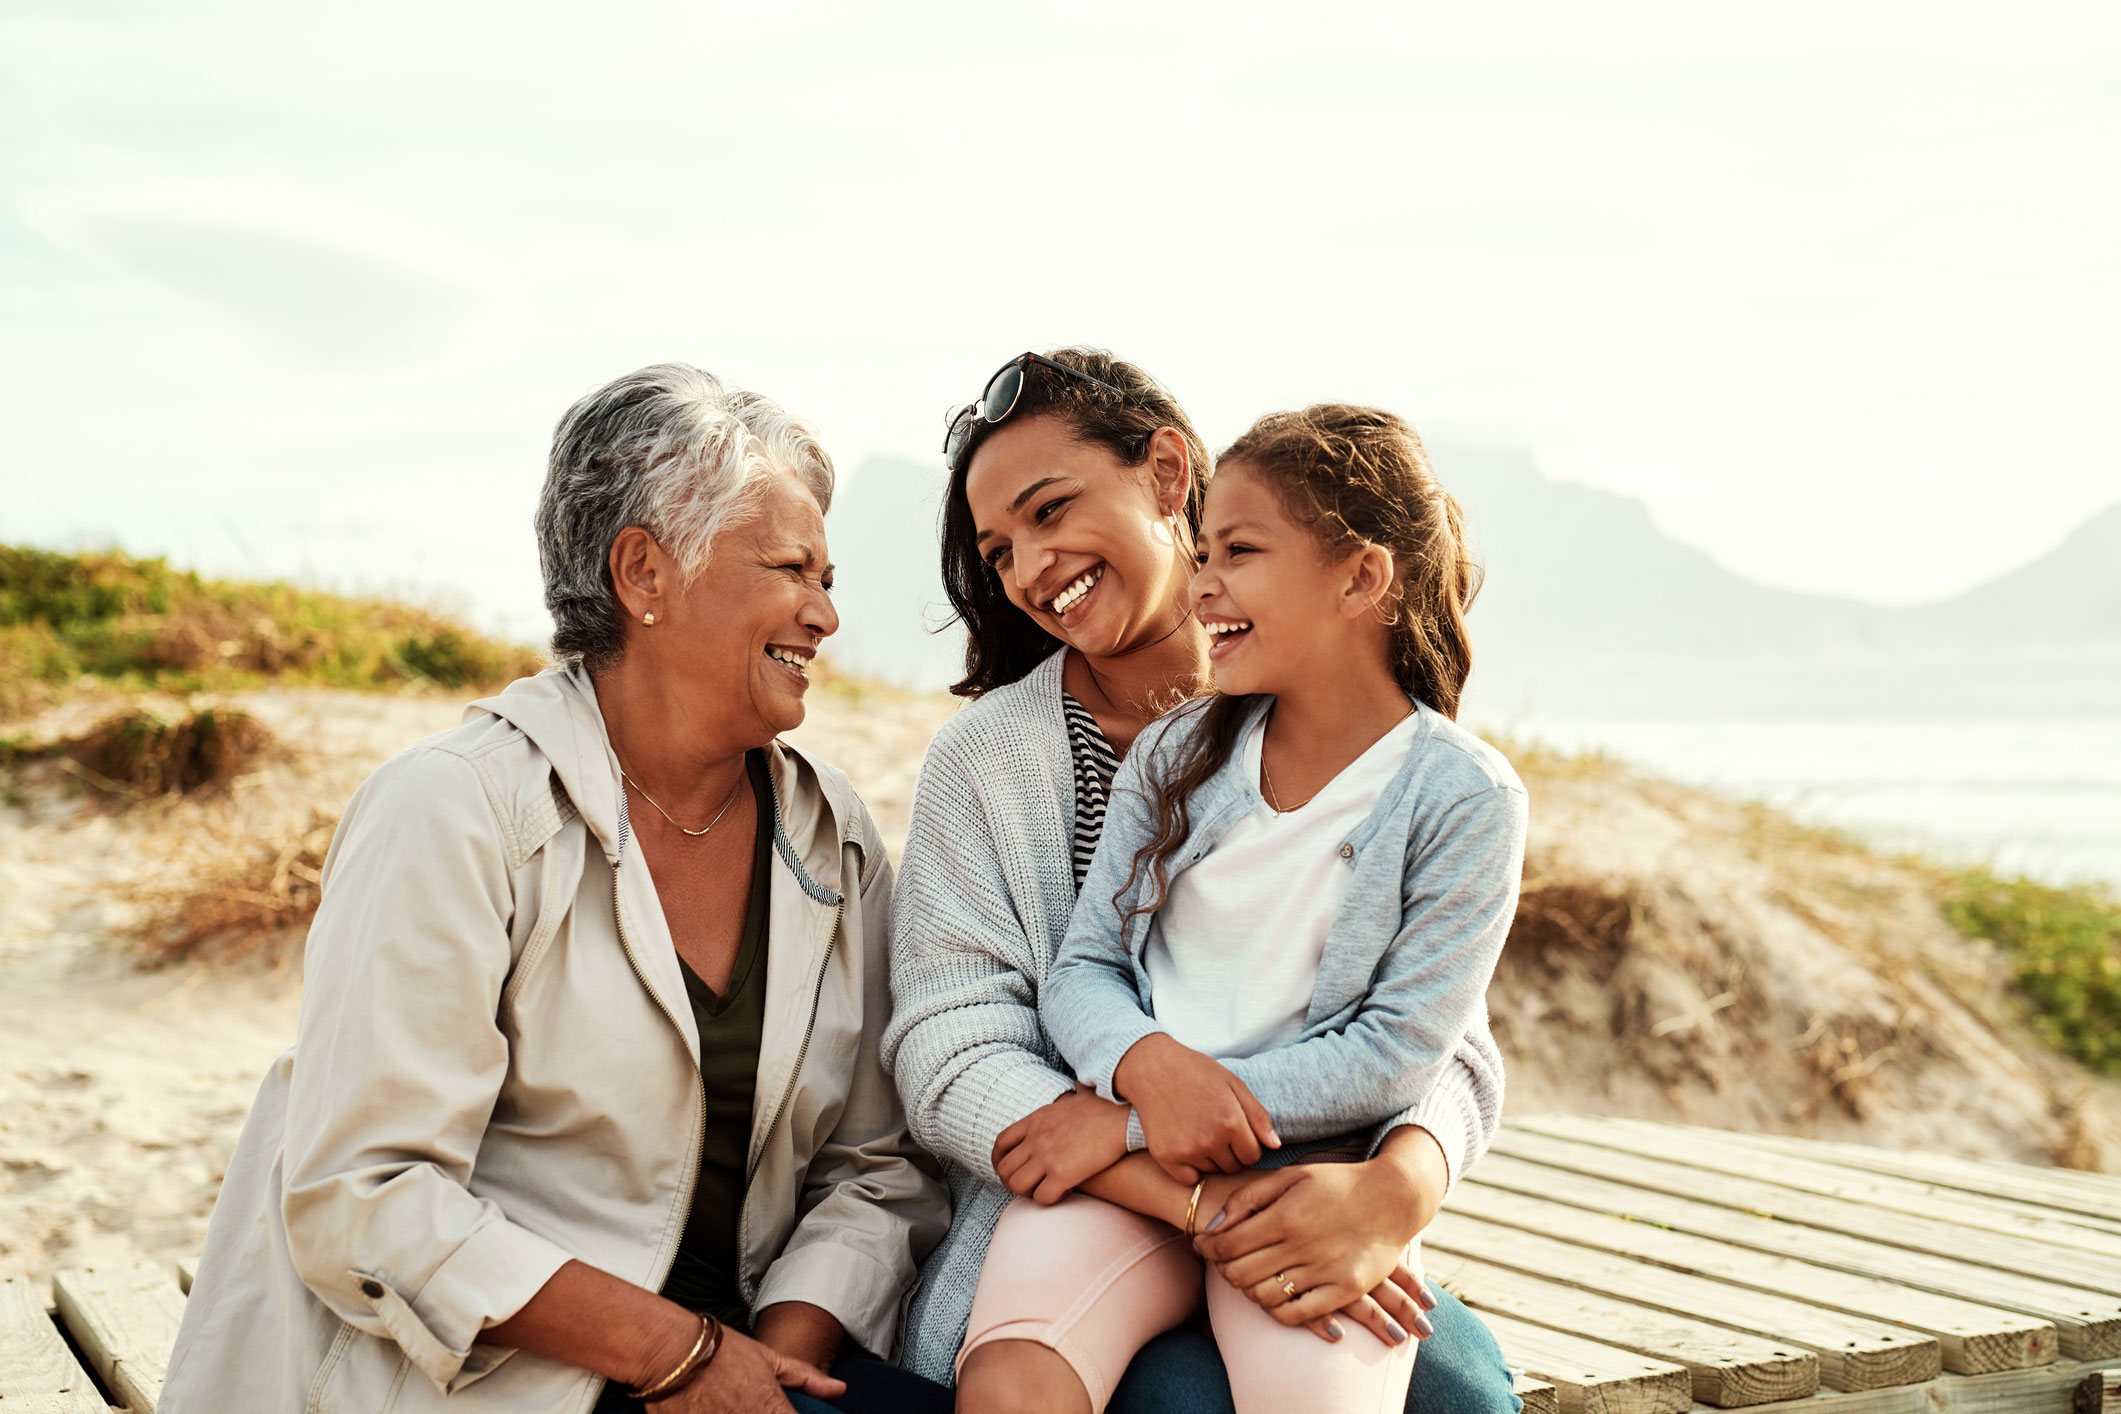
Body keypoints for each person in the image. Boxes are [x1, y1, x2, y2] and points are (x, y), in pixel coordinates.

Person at [162, 364, 950, 1414]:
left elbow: (872, 1166)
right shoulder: (453, 809)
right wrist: (676, 1355)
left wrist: (773, 1368)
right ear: (644, 575)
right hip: (497, 1381)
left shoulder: (831, 831)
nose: (824, 614)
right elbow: (366, 1196)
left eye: (829, 577)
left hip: (750, 1358)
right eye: (793, 570)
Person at [883, 350, 1522, 1413]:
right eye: (1002, 551)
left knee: (1462, 1397)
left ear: (1169, 475)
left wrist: (1395, 1187)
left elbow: (1438, 1032)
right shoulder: (996, 762)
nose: (1032, 567)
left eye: (1052, 511)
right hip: (1088, 1196)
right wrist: (1161, 1148)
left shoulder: (1413, 766)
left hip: (1309, 1184)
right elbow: (952, 1050)